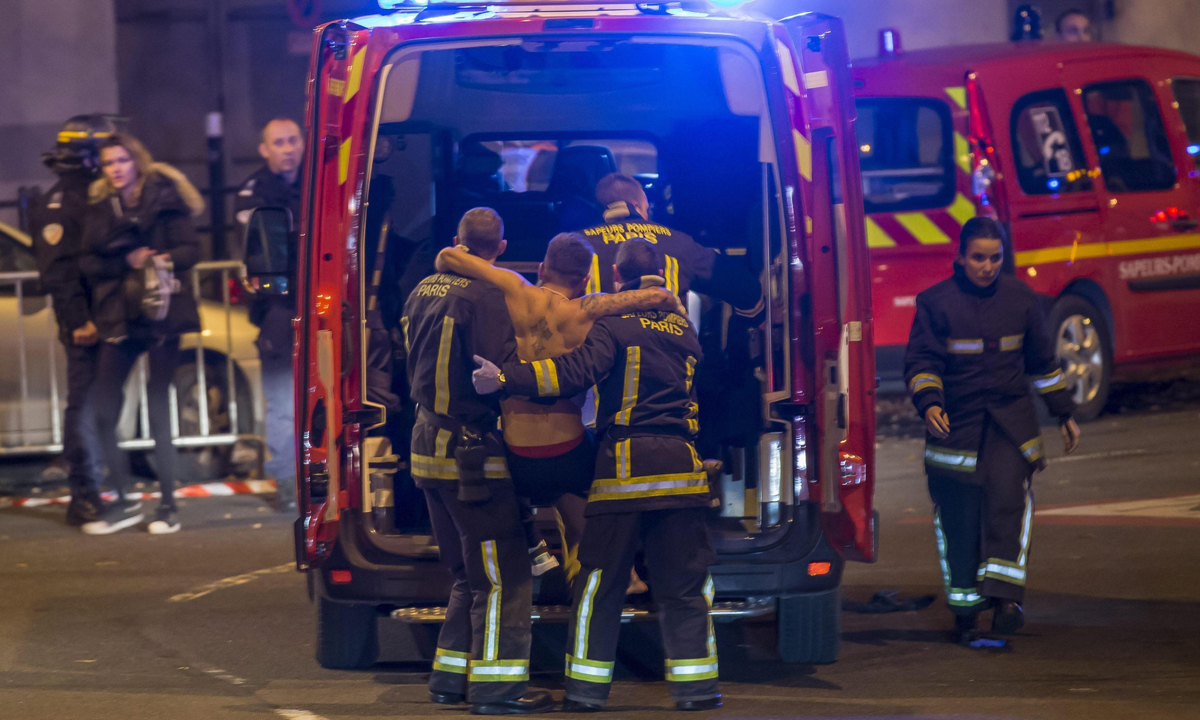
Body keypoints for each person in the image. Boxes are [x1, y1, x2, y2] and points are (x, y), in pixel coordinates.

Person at [474, 239, 721, 712]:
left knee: (598, 585)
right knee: (685, 586)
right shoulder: (685, 329)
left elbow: (572, 373)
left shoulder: (614, 326)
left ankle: (586, 693)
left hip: (626, 470)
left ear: (615, 276)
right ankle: (698, 690)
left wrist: (506, 380)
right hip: (683, 472)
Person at [434, 232, 684, 580]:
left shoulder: (515, 288)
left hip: (518, 452)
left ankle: (534, 548)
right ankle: (617, 579)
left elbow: (448, 255)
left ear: (542, 267)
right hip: (568, 452)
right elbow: (650, 298)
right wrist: (666, 298)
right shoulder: (587, 308)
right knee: (589, 532)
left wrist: (452, 253)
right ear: (584, 279)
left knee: (499, 477)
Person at [399, 208, 552, 715]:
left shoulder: (421, 289)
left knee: (466, 573)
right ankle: (498, 689)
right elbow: (499, 371)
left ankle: (448, 679)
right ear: (501, 249)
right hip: (472, 457)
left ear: (456, 242)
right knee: (504, 574)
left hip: (425, 445)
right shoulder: (489, 298)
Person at [904, 217, 1081, 646]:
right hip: (955, 427)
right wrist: (930, 404)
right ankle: (966, 608)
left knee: (1009, 500)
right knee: (958, 519)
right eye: (978, 258)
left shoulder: (1020, 297)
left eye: (995, 258)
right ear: (960, 257)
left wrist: (1063, 413)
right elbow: (922, 363)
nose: (986, 266)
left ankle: (1006, 602)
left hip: (1010, 423)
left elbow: (1042, 362)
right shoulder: (935, 303)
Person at [78, 133, 205, 535]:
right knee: (101, 412)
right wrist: (125, 261)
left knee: (157, 406)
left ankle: (168, 506)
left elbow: (192, 250)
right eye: (108, 163)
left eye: (121, 160)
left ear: (136, 161)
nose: (115, 169)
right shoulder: (100, 208)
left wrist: (162, 258)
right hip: (121, 314)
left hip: (162, 312)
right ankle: (125, 501)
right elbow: (87, 262)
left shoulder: (166, 197)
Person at [27, 114, 116, 528]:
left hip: (103, 318)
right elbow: (59, 273)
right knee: (82, 406)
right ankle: (83, 495)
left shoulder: (90, 195)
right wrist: (79, 320)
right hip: (85, 324)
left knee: (95, 406)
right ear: (86, 157)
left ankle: (95, 488)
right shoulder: (63, 203)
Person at [234, 118, 303, 511]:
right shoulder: (254, 192)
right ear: (265, 150)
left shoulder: (317, 181)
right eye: (279, 142)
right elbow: (262, 249)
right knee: (281, 402)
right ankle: (289, 483)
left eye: (293, 140)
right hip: (278, 308)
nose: (288, 148)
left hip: (316, 304)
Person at [578, 173, 762, 314]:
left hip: (596, 360)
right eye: (647, 208)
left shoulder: (575, 246)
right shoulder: (678, 243)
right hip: (665, 359)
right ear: (636, 205)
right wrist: (754, 318)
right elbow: (744, 288)